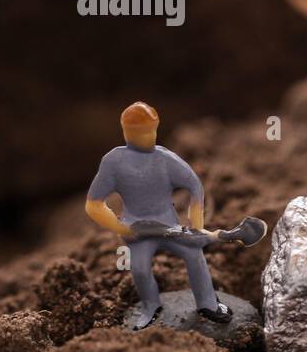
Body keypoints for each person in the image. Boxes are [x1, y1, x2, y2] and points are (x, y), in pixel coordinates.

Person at [85, 102, 230, 330]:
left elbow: (195, 186)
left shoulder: (165, 159)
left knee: (194, 255)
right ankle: (151, 306)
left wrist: (197, 225)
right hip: (137, 229)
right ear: (125, 132)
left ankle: (207, 303)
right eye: (140, 132)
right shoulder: (114, 163)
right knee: (141, 269)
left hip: (169, 225)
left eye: (152, 130)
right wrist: (121, 227)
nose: (149, 137)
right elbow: (93, 204)